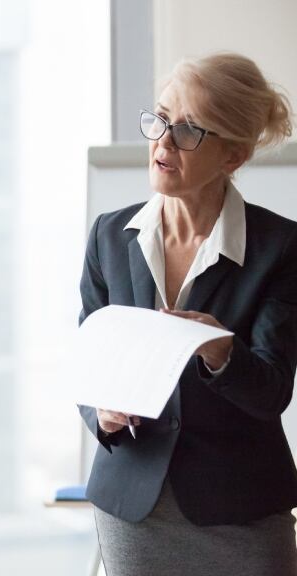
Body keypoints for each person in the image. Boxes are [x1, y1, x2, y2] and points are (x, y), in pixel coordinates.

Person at [78, 52, 297, 576]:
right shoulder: (109, 236)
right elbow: (88, 364)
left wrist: (223, 353)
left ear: (233, 156)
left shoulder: (280, 247)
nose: (163, 142)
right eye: (160, 119)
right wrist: (102, 414)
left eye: (188, 130)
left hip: (242, 509)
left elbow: (272, 391)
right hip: (133, 507)